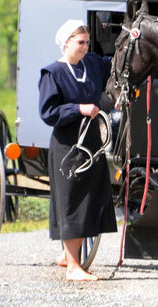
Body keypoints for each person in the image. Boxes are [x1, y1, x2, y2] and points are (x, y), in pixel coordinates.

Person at [39, 19, 117, 281]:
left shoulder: (92, 64)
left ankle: (66, 256)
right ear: (67, 43)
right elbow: (48, 112)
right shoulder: (52, 73)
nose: (85, 47)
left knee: (91, 197)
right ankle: (73, 267)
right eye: (80, 42)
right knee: (73, 200)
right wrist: (78, 109)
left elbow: (119, 62)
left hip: (91, 143)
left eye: (86, 42)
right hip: (68, 146)